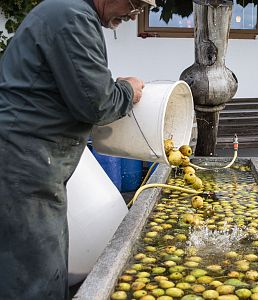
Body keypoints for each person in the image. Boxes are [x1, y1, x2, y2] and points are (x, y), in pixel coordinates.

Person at [0, 0, 155, 298]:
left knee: (29, 257)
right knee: (33, 267)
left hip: (29, 156)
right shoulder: (73, 17)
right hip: (26, 159)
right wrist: (127, 90)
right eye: (135, 3)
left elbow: (75, 85)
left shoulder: (64, 10)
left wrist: (112, 87)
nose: (135, 13)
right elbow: (96, 104)